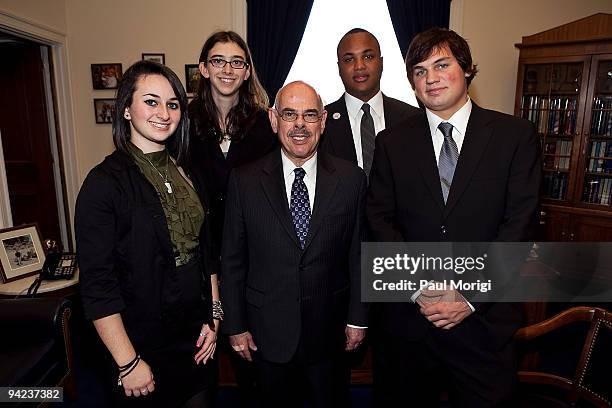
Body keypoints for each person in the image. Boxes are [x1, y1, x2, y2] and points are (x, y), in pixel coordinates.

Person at [367, 28, 541, 407]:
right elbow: (379, 222)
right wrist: (419, 289)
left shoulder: (515, 136)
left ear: (466, 70)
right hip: (410, 324)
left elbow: (519, 226)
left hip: (485, 325)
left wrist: (468, 294)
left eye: (441, 65)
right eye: (419, 70)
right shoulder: (391, 143)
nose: (430, 78)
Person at [76, 60, 220, 408]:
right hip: (139, 345)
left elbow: (207, 252)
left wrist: (214, 317)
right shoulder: (103, 185)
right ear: (126, 109)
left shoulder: (189, 173)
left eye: (172, 104)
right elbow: (98, 286)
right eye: (151, 101)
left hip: (196, 338)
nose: (164, 113)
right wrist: (127, 362)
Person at [221, 81, 368, 407]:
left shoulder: (351, 180)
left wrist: (357, 318)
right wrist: (235, 325)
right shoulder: (244, 182)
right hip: (265, 334)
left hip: (330, 333)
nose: (300, 124)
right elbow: (232, 260)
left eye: (309, 115)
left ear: (323, 121)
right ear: (274, 120)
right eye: (289, 114)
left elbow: (358, 255)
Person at [187, 30, 277, 405]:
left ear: (246, 71)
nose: (227, 68)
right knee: (199, 361)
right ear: (204, 69)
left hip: (250, 258)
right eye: (218, 61)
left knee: (252, 361)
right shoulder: (181, 121)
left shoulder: (264, 124)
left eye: (236, 62)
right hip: (197, 257)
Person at [319, 28, 420, 178]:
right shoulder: (320, 122)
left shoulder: (414, 119)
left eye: (368, 56)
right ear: (339, 68)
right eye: (349, 59)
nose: (359, 66)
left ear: (381, 63)